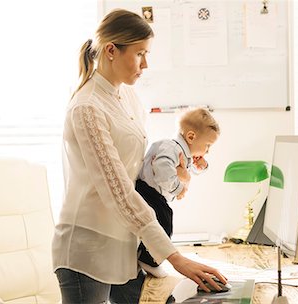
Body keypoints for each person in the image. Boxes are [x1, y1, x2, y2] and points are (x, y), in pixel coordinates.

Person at [51, 8, 227, 304]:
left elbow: (137, 169)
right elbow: (118, 190)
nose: (146, 64)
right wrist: (174, 256)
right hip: (88, 249)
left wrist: (182, 170)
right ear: (111, 51)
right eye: (140, 54)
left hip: (124, 244)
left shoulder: (128, 97)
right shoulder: (88, 107)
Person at [137, 108, 220, 278]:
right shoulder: (171, 148)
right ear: (191, 137)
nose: (208, 151)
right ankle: (149, 259)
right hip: (148, 192)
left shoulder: (182, 153)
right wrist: (178, 189)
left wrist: (201, 166)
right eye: (207, 146)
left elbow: (186, 171)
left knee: (161, 223)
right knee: (163, 224)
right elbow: (163, 170)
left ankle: (149, 256)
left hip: (155, 194)